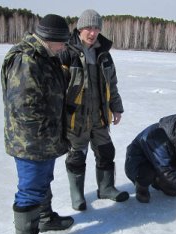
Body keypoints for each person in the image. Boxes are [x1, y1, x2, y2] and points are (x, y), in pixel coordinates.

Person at [1, 14, 74, 234]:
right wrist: (48, 133)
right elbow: (23, 108)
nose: (64, 46)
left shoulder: (46, 55)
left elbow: (46, 95)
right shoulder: (26, 59)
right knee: (31, 188)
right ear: (49, 38)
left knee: (44, 181)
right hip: (30, 142)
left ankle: (44, 218)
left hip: (46, 138)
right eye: (62, 41)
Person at [59, 9, 129, 211]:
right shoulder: (67, 52)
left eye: (97, 28)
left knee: (106, 152)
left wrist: (116, 108)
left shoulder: (104, 55)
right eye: (89, 28)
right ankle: (77, 196)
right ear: (80, 28)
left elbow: (112, 84)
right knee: (76, 156)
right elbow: (57, 88)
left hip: (99, 116)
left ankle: (106, 188)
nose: (93, 33)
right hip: (75, 118)